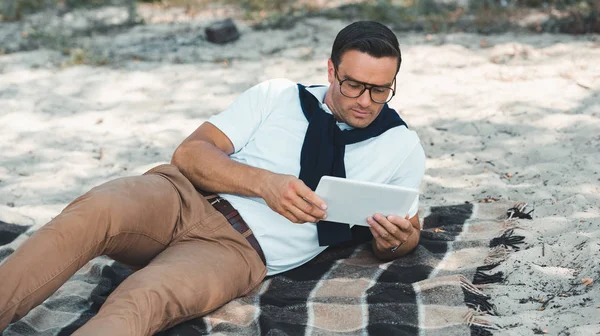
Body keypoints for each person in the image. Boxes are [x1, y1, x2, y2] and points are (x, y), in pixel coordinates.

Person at [0, 21, 425, 335]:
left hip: (236, 249)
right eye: (353, 85)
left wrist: (396, 240)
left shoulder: (401, 147)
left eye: (380, 90)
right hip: (178, 196)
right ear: (331, 71)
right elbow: (190, 152)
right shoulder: (278, 96)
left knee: (145, 297)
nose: (366, 101)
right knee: (93, 212)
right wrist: (264, 183)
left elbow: (407, 233)